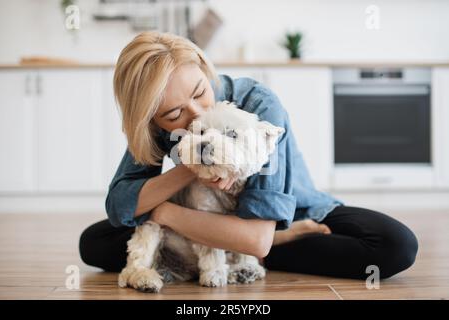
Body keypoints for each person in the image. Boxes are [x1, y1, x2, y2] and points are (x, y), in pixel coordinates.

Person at [79, 31, 418, 280]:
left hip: (282, 214)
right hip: (201, 218)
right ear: (152, 119)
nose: (196, 115)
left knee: (395, 244)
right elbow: (119, 205)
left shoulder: (259, 104)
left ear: (203, 66)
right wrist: (193, 167)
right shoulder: (154, 124)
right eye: (174, 115)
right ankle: (248, 253)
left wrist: (162, 211)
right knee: (94, 242)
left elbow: (255, 238)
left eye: (200, 92)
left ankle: (271, 242)